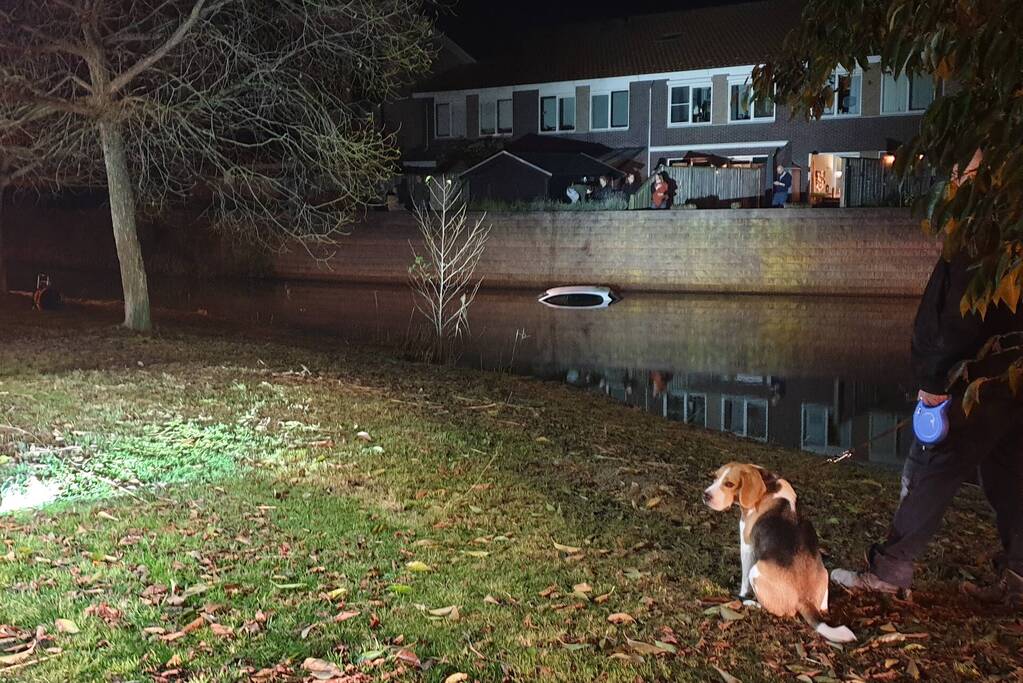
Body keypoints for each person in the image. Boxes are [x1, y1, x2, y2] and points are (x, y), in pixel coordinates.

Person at [831, 150, 1023, 609]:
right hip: (1010, 380)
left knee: (933, 469)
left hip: (972, 383)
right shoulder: (1009, 235)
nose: (953, 177)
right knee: (1010, 474)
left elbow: (955, 314)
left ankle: (890, 571)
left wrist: (936, 381)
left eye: (963, 170)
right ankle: (1019, 579)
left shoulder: (977, 235)